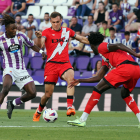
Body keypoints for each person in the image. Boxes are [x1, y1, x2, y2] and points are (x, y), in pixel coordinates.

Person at [67, 32, 140, 128]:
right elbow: (98, 77)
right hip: (136, 69)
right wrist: (80, 80)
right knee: (125, 94)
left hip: (124, 67)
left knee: (98, 89)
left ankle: (82, 120)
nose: (92, 49)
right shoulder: (105, 57)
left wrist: (136, 54)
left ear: (92, 45)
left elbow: (119, 45)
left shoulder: (101, 46)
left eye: (91, 47)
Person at [32, 12, 91, 121]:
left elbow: (82, 39)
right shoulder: (46, 31)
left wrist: (94, 41)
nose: (55, 24)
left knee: (71, 79)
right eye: (53, 22)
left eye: (57, 22)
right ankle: (39, 111)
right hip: (51, 65)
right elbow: (43, 38)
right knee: (48, 94)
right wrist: (42, 42)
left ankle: (69, 107)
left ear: (61, 21)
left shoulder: (67, 31)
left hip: (64, 64)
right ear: (50, 22)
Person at [0, 14, 46, 119]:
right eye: (12, 29)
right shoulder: (1, 40)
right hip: (9, 68)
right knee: (6, 89)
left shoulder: (21, 36)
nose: (15, 30)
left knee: (32, 93)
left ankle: (13, 103)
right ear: (6, 29)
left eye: (16, 28)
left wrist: (41, 51)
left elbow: (32, 45)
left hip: (21, 69)